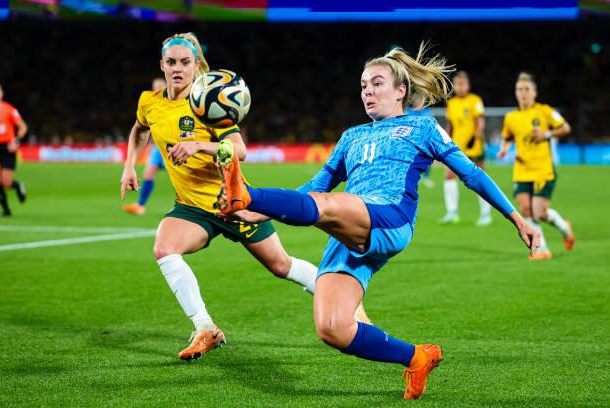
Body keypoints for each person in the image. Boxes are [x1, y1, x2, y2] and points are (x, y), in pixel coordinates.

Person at [215, 44, 540, 400]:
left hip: (390, 218)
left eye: (377, 83)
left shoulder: (422, 127)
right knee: (332, 328)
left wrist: (516, 217)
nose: (367, 91)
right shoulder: (351, 137)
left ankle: (244, 191)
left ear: (401, 91)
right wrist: (251, 214)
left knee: (325, 206)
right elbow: (313, 187)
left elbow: (472, 174)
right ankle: (416, 357)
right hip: (349, 229)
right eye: (363, 85)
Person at [119, 32, 370, 361]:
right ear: (161, 65)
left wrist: (199, 145)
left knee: (281, 265)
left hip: (234, 203)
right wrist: (129, 166)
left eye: (185, 62)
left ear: (197, 65)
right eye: (171, 62)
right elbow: (139, 128)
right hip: (192, 207)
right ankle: (205, 327)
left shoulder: (208, 101)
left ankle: (348, 304)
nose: (177, 68)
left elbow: (240, 150)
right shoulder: (149, 102)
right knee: (164, 248)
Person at [498, 72, 574, 260]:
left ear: (534, 93)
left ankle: (564, 227)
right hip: (522, 170)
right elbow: (507, 137)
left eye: (526, 89)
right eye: (519, 89)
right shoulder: (511, 117)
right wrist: (504, 149)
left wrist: (546, 135)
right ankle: (542, 250)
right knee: (526, 210)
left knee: (539, 212)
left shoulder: (545, 111)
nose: (523, 93)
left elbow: (566, 128)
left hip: (543, 170)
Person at [440, 71, 491, 226]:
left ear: (468, 85)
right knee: (449, 177)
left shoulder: (475, 100)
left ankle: (485, 214)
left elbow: (480, 122)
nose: (460, 87)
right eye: (457, 84)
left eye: (462, 83)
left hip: (474, 148)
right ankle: (452, 213)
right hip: (456, 148)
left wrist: (474, 138)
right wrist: (445, 143)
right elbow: (450, 126)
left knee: (481, 179)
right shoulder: (452, 103)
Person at [123, 78, 168, 215]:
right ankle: (140, 205)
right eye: (155, 86)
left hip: (172, 148)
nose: (157, 88)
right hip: (157, 148)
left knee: (181, 179)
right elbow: (144, 130)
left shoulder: (173, 104)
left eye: (160, 85)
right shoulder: (150, 104)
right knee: (148, 174)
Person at [0, 82, 27, 217]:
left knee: (6, 182)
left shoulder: (9, 110)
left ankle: (17, 186)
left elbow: (23, 127)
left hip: (7, 148)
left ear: (1, 94)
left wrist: (16, 140)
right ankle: (6, 209)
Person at [405, 94, 434, 188]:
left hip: (424, 141)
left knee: (428, 158)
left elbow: (431, 125)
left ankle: (426, 177)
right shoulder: (408, 112)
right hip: (412, 141)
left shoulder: (427, 112)